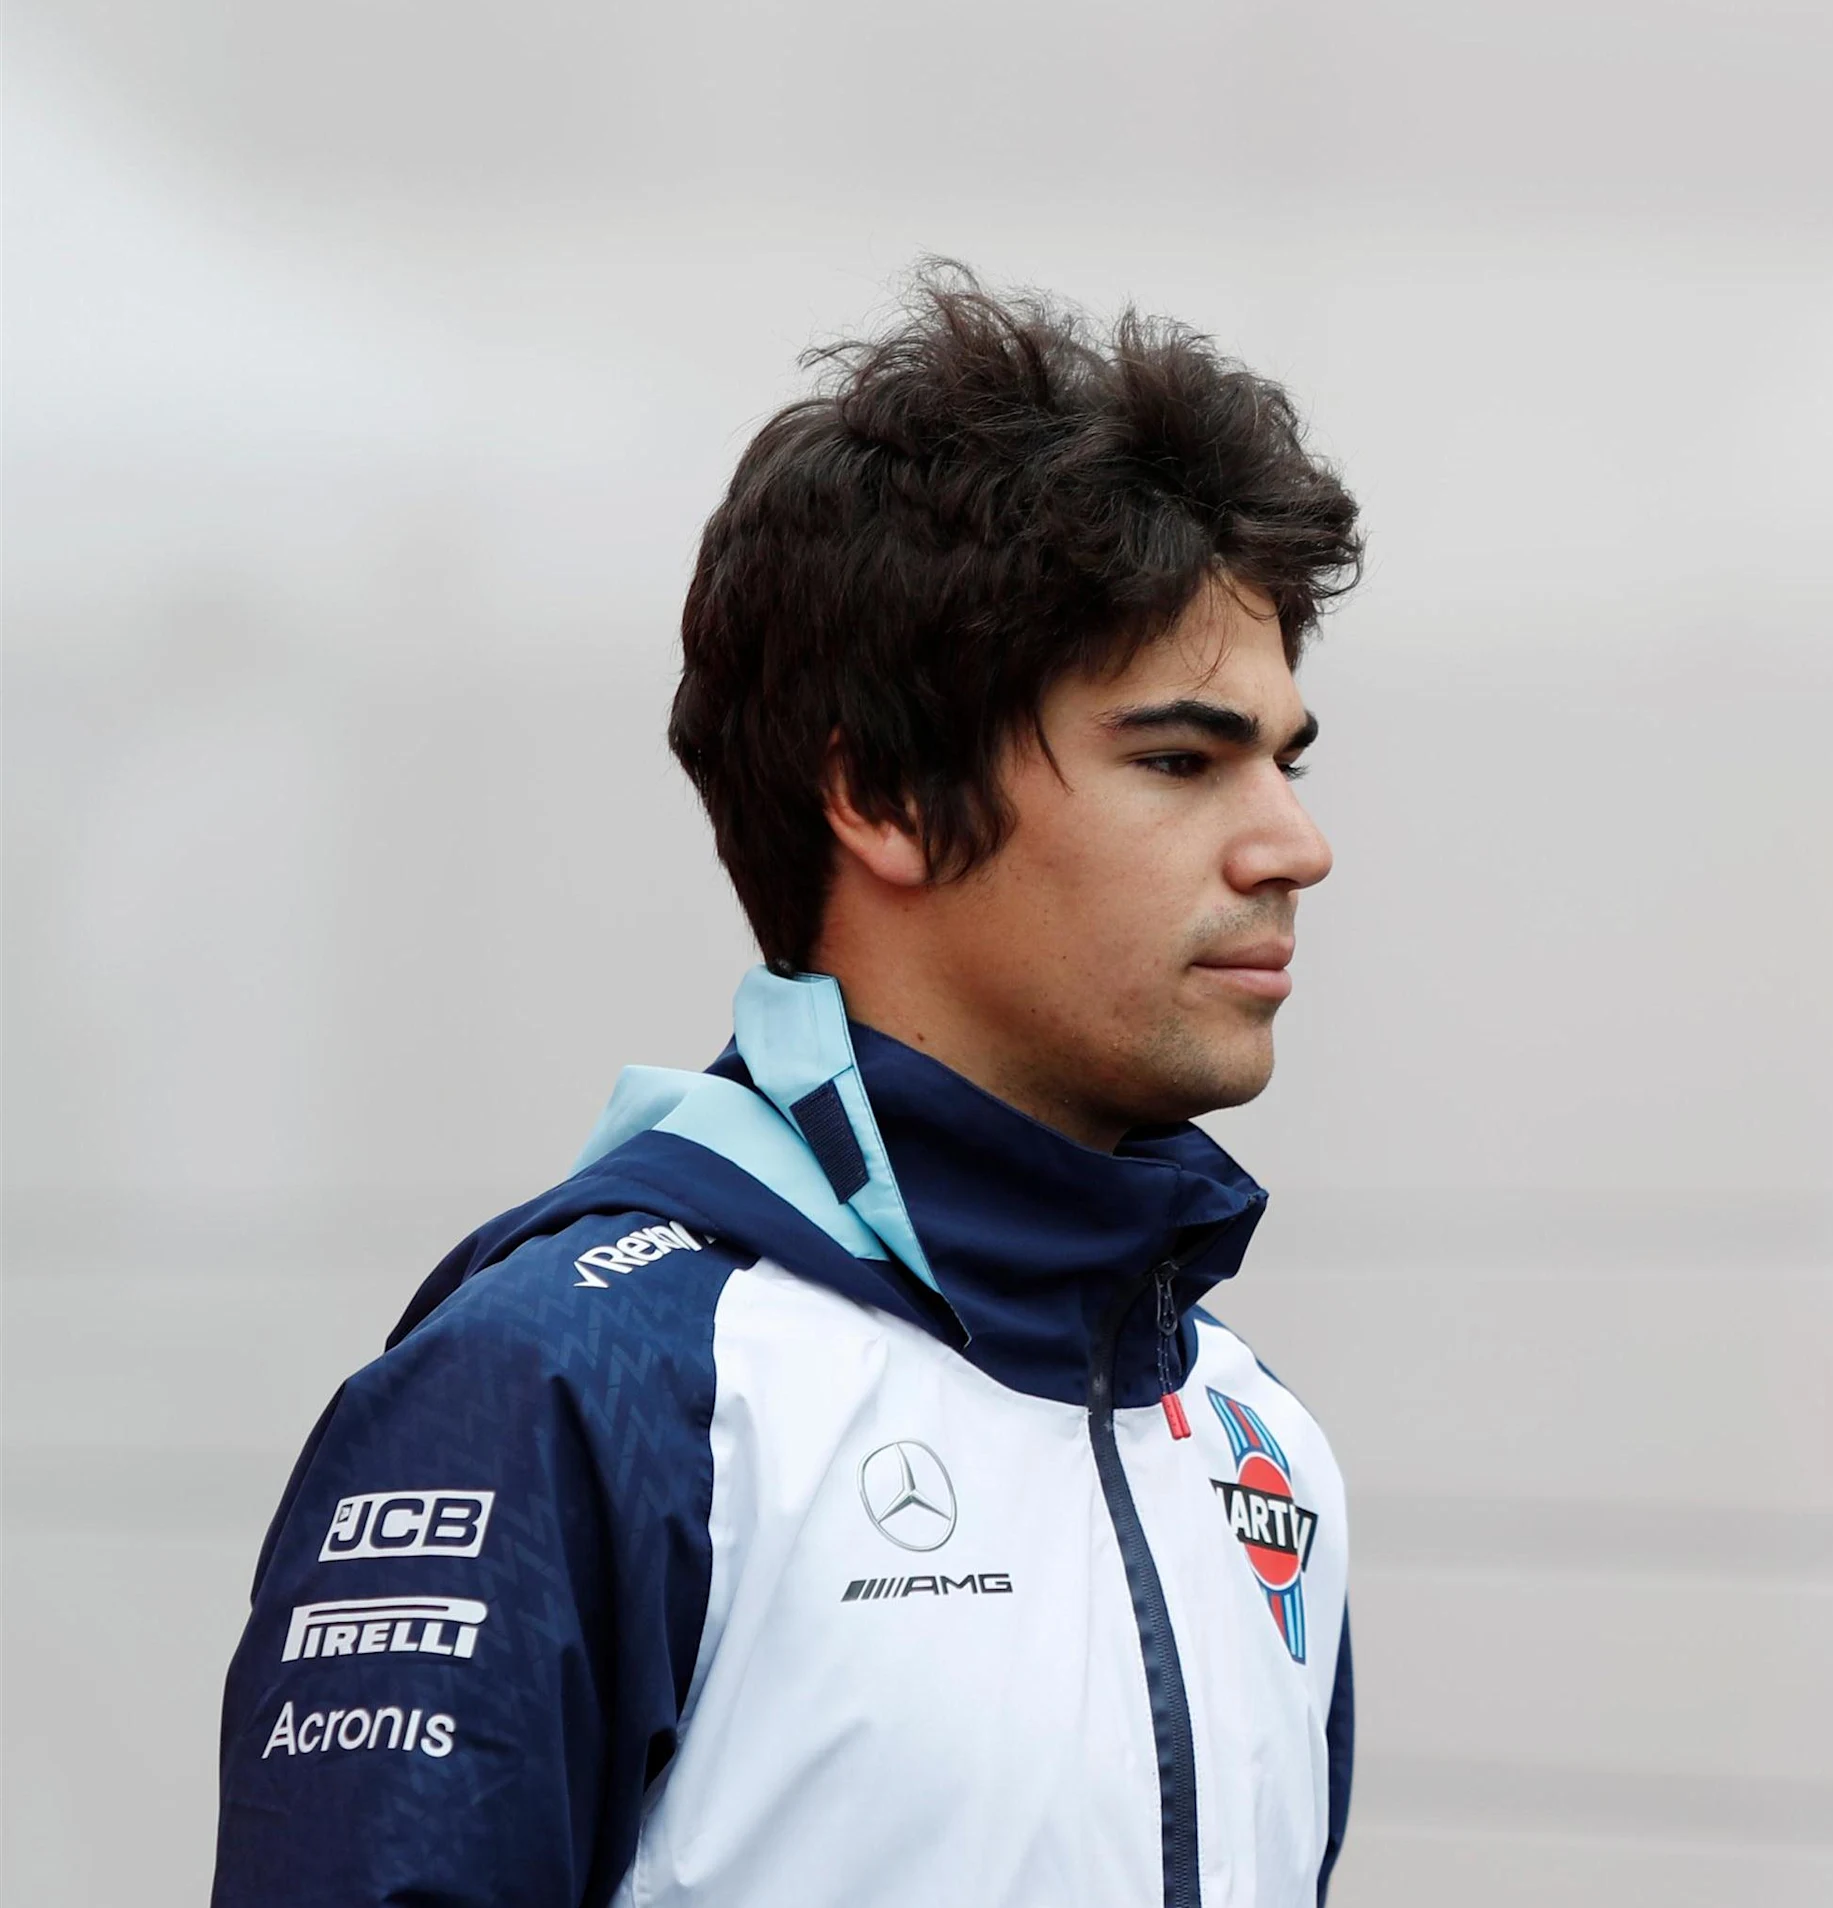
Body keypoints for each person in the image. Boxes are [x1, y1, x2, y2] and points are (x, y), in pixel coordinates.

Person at [212, 269, 1364, 1907]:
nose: (1294, 845)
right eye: (1180, 759)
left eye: (1285, 759)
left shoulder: (1256, 1444)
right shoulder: (568, 1389)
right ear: (884, 793)